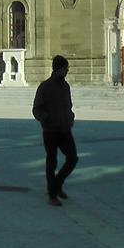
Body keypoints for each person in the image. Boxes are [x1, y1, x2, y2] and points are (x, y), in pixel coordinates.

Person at [33, 55, 78, 207]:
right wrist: (47, 119)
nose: (67, 71)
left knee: (73, 158)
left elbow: (68, 105)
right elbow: (37, 109)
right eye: (65, 68)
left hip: (65, 129)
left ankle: (57, 184)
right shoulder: (45, 87)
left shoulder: (66, 86)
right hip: (51, 130)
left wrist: (70, 116)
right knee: (51, 162)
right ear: (59, 69)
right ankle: (52, 194)